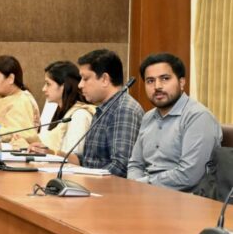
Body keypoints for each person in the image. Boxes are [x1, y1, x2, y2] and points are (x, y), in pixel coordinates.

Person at [127, 53, 221, 191]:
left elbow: (189, 175)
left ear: (181, 82)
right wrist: (134, 185)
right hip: (146, 193)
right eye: (150, 81)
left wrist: (143, 185)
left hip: (185, 198)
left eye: (165, 78)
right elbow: (135, 164)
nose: (157, 86)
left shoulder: (198, 117)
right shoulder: (148, 117)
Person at [77, 49, 143, 177]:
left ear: (105, 79)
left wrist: (84, 179)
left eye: (85, 79)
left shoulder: (123, 110)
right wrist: (56, 154)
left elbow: (121, 167)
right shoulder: (103, 108)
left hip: (107, 188)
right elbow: (90, 161)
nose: (80, 85)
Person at [18, 61, 96, 156]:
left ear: (64, 86)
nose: (43, 89)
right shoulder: (59, 111)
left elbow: (73, 157)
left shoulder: (80, 115)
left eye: (48, 84)